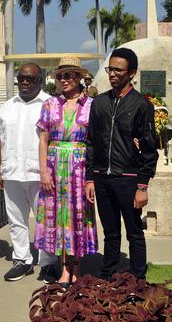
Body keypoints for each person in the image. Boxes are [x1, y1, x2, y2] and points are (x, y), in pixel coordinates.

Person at [85, 47, 159, 280]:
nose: (113, 74)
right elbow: (91, 143)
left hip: (128, 179)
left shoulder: (141, 105)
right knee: (110, 232)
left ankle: (138, 277)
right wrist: (89, 177)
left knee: (134, 232)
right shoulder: (99, 103)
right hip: (102, 177)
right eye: (110, 69)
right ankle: (107, 275)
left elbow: (149, 148)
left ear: (132, 73)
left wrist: (142, 186)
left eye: (119, 70)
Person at [34, 56, 98, 288]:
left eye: (69, 75)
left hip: (79, 169)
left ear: (80, 77)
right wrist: (44, 171)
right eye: (60, 75)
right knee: (60, 217)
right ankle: (63, 270)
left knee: (77, 216)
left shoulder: (92, 105)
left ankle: (76, 269)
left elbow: (96, 142)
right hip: (54, 168)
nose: (64, 80)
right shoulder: (49, 104)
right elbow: (43, 141)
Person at [0, 63, 57, 283]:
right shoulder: (7, 106)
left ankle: (48, 264)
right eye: (22, 78)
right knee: (16, 220)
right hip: (12, 174)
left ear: (40, 80)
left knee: (45, 220)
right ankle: (22, 260)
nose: (25, 82)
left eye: (31, 79)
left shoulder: (50, 104)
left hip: (41, 176)